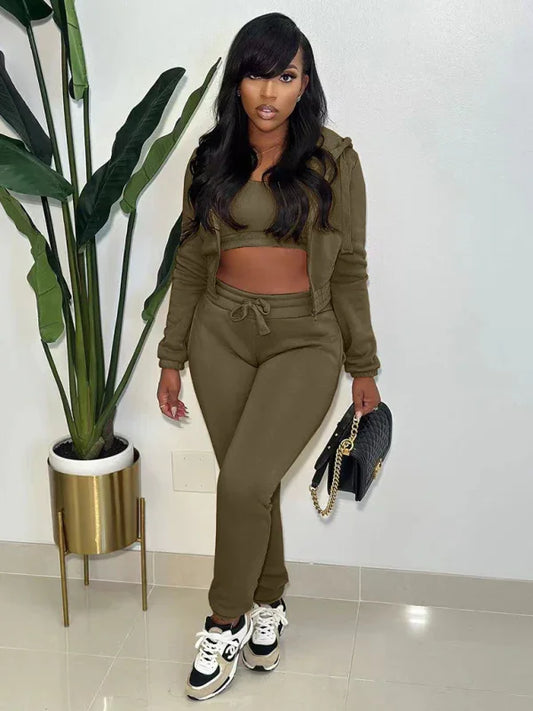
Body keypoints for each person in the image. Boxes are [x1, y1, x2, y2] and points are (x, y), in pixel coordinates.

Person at [156, 11, 382, 702]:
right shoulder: (209, 158)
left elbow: (350, 268)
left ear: (304, 83)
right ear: (238, 81)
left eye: (285, 76)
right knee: (248, 484)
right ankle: (269, 603)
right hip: (218, 334)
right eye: (256, 74)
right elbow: (190, 262)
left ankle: (222, 622)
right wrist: (171, 355)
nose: (269, 91)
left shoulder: (334, 159)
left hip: (303, 339)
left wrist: (363, 366)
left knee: (242, 482)